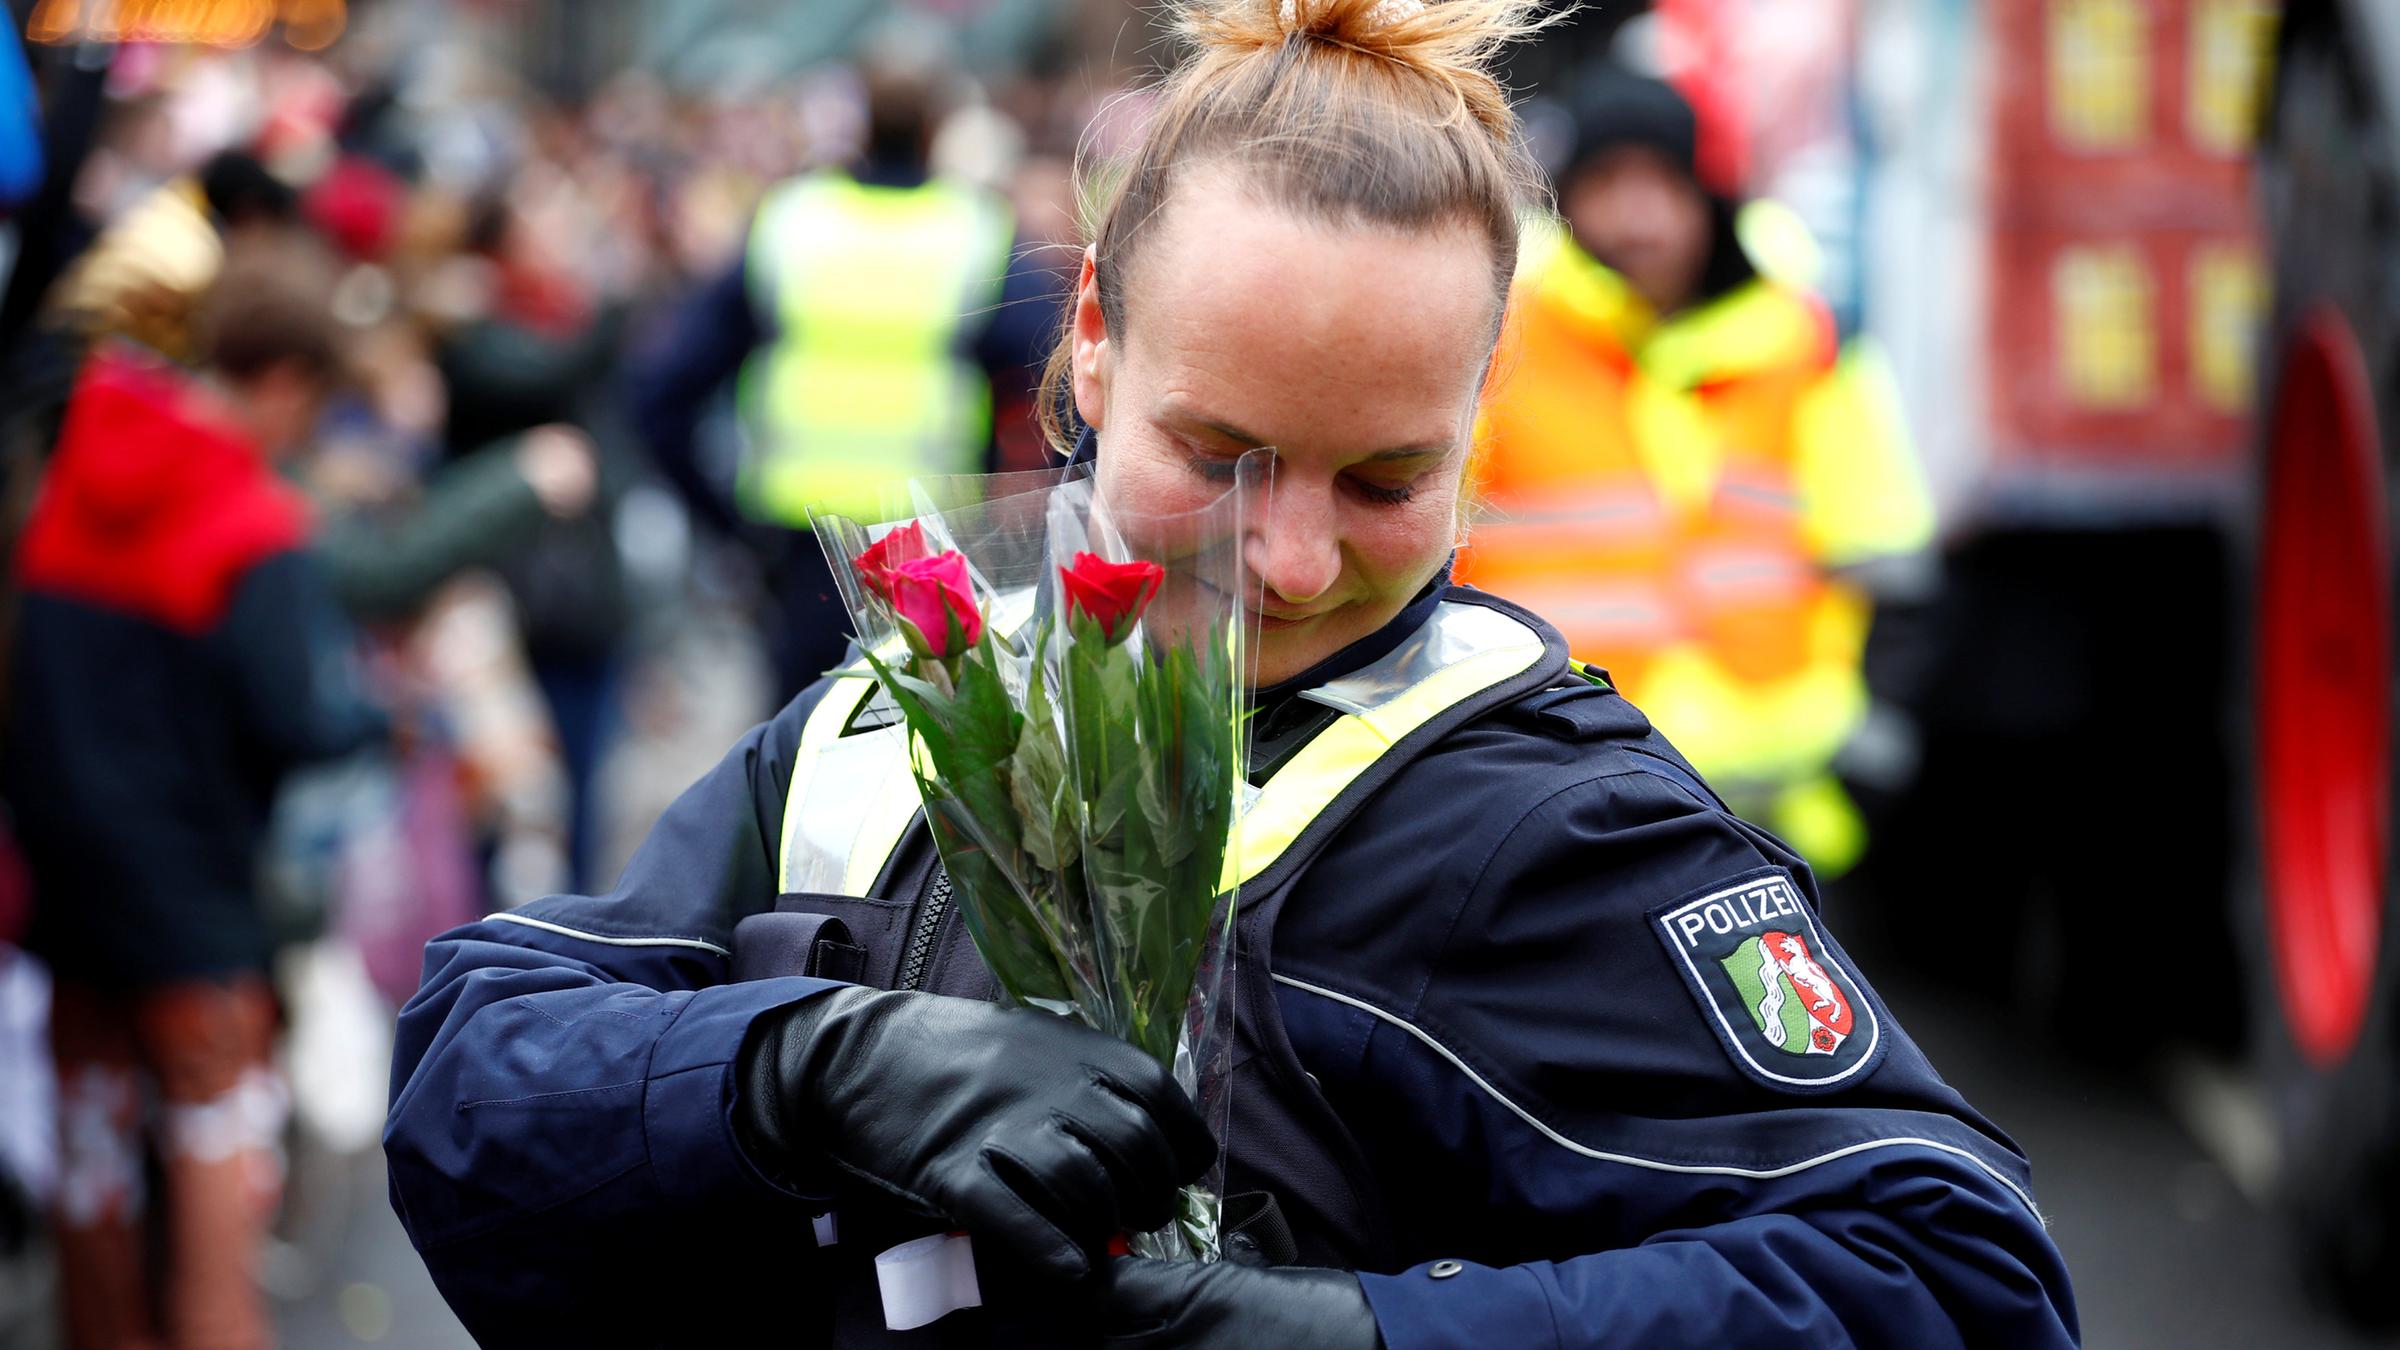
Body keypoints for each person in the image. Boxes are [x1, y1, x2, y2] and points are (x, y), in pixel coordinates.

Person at [386, 2, 2077, 1346]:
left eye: (1388, 479)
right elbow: (470, 1079)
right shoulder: (878, 733)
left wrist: (1376, 1331)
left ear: (1477, 422)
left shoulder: (1549, 823)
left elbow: (1957, 1275)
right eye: (1220, 453)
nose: (1293, 560)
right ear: (1091, 343)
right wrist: (801, 1065)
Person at [8, 231, 386, 1350]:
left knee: (91, 1170)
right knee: (217, 1176)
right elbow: (298, 722)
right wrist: (380, 714)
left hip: (68, 900)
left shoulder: (75, 467)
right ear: (285, 380)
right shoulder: (252, 524)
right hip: (197, 913)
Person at [1457, 71, 1934, 875]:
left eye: (1663, 182)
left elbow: (1887, 560)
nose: (1637, 215)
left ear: (1707, 196)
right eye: (1607, 183)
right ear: (1568, 201)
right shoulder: (1504, 337)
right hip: (1558, 807)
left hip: (1782, 818)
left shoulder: (1801, 342)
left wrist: (1862, 763)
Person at [626, 31, 1068, 701]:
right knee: (920, 743)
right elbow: (1064, 375)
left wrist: (726, 527)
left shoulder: (789, 222)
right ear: (936, 128)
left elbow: (661, 392)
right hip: (927, 549)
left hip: (798, 547)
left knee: (798, 746)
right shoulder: (978, 232)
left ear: (859, 121)